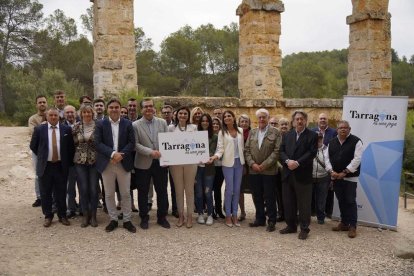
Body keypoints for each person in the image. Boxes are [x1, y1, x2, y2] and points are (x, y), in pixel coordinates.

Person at [95, 98, 136, 233]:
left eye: (116, 107)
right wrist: (113, 154)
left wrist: (120, 155)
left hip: (123, 162)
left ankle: (127, 220)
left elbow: (131, 143)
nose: (114, 109)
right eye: (111, 107)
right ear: (108, 109)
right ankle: (113, 219)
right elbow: (98, 143)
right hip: (107, 163)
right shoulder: (100, 124)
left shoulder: (128, 124)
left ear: (120, 108)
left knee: (125, 193)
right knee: (109, 194)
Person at [30, 107, 75, 227]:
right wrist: (44, 156)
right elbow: (33, 146)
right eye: (51, 115)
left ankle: (62, 215)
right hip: (46, 166)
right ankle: (48, 215)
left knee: (61, 191)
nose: (53, 117)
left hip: (61, 166)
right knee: (45, 192)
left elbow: (70, 148)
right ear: (47, 116)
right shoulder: (39, 129)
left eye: (55, 115)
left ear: (59, 116)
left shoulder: (66, 129)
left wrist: (67, 162)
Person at [279, 110, 318, 240]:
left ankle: (304, 228)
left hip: (303, 175)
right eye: (297, 119)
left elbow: (312, 153)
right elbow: (281, 151)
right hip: (287, 174)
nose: (299, 121)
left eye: (302, 119)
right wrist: (287, 161)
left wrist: (297, 162)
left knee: (304, 204)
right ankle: (291, 226)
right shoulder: (287, 135)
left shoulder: (312, 135)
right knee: (288, 202)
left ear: (306, 121)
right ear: (293, 121)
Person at [133, 98, 170, 229]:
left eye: (151, 106)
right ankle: (144, 217)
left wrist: (166, 158)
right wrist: (150, 152)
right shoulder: (135, 125)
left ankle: (162, 217)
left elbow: (168, 142)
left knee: (162, 191)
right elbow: (135, 144)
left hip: (161, 162)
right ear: (141, 109)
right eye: (145, 107)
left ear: (154, 108)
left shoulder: (163, 122)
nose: (148, 109)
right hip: (143, 163)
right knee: (143, 192)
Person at [245, 109, 282, 232]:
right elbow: (247, 150)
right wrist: (252, 164)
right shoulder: (252, 132)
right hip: (254, 170)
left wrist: (264, 165)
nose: (261, 119)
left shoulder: (276, 132)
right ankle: (260, 219)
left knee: (270, 196)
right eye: (259, 117)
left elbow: (277, 151)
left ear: (268, 118)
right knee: (257, 196)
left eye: (264, 117)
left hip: (269, 171)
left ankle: (271, 221)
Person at [324, 120, 362, 238]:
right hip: (336, 176)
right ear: (337, 130)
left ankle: (352, 226)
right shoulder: (332, 142)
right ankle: (344, 223)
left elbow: (357, 159)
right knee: (341, 200)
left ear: (349, 129)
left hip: (350, 177)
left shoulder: (356, 141)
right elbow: (326, 159)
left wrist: (344, 172)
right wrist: (331, 171)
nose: (343, 129)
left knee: (350, 201)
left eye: (345, 128)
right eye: (341, 128)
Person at [210, 110, 245, 227]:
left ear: (234, 118)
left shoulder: (240, 130)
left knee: (237, 190)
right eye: (225, 117)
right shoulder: (222, 132)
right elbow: (220, 149)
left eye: (229, 116)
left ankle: (235, 215)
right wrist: (215, 157)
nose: (227, 118)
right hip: (227, 164)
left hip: (239, 163)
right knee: (229, 190)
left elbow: (243, 147)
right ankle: (228, 215)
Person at [168, 106, 198, 228]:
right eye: (180, 113)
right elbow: (168, 144)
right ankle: (181, 215)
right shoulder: (171, 128)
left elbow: (197, 144)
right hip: (175, 163)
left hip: (190, 162)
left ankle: (190, 216)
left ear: (188, 115)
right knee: (178, 190)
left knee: (189, 190)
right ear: (177, 115)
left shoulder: (194, 127)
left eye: (185, 114)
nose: (183, 116)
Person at [72, 104, 99, 227]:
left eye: (89, 112)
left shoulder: (99, 126)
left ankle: (93, 216)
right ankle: (85, 216)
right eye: (84, 112)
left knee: (93, 189)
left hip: (94, 161)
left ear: (92, 113)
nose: (87, 114)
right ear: (81, 114)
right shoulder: (76, 127)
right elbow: (72, 144)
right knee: (83, 189)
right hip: (80, 162)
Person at [312, 113, 338, 219]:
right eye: (321, 118)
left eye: (324, 118)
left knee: (326, 194)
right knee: (313, 194)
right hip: (313, 170)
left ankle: (327, 212)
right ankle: (313, 212)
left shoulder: (333, 132)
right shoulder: (312, 131)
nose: (322, 120)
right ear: (317, 120)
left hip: (326, 168)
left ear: (328, 120)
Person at [195, 113, 218, 226]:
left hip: (209, 168)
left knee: (208, 193)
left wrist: (209, 156)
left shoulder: (214, 137)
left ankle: (210, 214)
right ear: (200, 123)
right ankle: (200, 213)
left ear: (209, 123)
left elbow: (213, 151)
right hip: (197, 169)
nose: (204, 122)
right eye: (202, 121)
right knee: (199, 193)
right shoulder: (194, 135)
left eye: (207, 121)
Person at [28, 95, 48, 207]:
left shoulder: (51, 115)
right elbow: (34, 133)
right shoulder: (33, 119)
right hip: (38, 150)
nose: (42, 104)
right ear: (36, 104)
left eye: (44, 102)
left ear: (47, 103)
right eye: (40, 102)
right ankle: (39, 197)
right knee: (38, 173)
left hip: (51, 150)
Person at [161, 104, 178, 217]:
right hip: (161, 159)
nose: (166, 114)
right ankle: (164, 208)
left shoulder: (177, 126)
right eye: (164, 112)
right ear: (161, 113)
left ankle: (175, 209)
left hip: (174, 160)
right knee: (162, 186)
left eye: (168, 112)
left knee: (174, 186)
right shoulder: (158, 124)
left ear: (172, 113)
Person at [64, 105, 79, 218]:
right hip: (69, 163)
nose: (70, 114)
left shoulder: (82, 125)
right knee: (70, 187)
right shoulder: (61, 127)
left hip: (83, 162)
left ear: (76, 113)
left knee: (83, 186)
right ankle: (71, 208)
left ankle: (83, 208)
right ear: (64, 115)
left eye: (72, 112)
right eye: (67, 113)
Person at [312, 132, 330, 225]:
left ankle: (320, 217)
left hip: (323, 178)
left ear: (322, 138)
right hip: (310, 178)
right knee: (308, 199)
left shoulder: (327, 149)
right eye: (316, 138)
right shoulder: (309, 149)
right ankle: (307, 215)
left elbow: (330, 163)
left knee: (321, 199)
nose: (318, 140)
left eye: (320, 138)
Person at [238, 114, 251, 221]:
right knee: (240, 190)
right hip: (240, 165)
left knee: (255, 190)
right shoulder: (236, 133)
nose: (244, 123)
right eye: (242, 121)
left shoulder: (253, 133)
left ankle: (259, 212)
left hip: (251, 164)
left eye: (246, 121)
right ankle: (242, 212)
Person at [211, 116, 225, 219]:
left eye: (217, 124)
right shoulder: (208, 136)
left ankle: (219, 209)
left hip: (220, 166)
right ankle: (211, 209)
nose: (215, 125)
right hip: (210, 166)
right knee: (209, 189)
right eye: (213, 124)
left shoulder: (223, 136)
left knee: (217, 188)